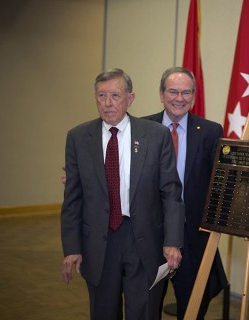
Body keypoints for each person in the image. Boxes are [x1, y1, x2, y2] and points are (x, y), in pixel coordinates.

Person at [61, 68, 184, 320]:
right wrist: (72, 246)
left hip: (143, 238)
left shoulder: (155, 135)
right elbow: (73, 199)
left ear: (130, 98)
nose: (107, 103)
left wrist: (173, 241)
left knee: (144, 312)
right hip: (99, 241)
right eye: (101, 95)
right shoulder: (78, 138)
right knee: (104, 312)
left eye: (115, 95)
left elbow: (171, 192)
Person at [144, 66, 228, 319]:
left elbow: (220, 182)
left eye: (186, 92)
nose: (179, 98)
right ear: (161, 94)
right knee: (146, 307)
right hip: (149, 235)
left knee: (192, 308)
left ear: (193, 96)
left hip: (193, 237)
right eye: (173, 91)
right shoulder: (142, 129)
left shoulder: (212, 131)